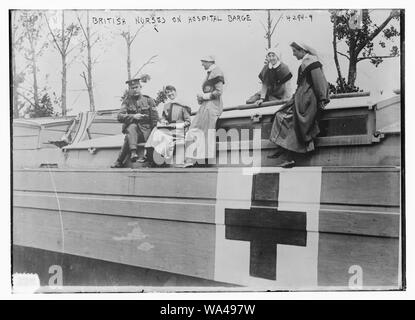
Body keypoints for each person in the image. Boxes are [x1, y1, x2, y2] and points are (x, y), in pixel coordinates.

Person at [268, 42, 330, 167]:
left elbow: (320, 82)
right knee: (280, 116)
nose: (294, 55)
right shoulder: (306, 62)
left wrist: (322, 99)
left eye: (295, 52)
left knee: (291, 122)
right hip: (300, 98)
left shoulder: (311, 62)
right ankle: (283, 147)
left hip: (307, 100)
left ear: (302, 51)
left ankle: (288, 156)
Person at [184, 55, 225, 167]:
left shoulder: (217, 72)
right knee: (194, 129)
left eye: (203, 62)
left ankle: (202, 160)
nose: (202, 64)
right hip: (206, 106)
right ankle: (193, 159)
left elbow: (218, 91)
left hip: (212, 107)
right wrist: (201, 98)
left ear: (209, 61)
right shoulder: (210, 72)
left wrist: (204, 96)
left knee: (206, 131)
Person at [111, 78, 159, 168]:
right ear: (129, 90)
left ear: (140, 87)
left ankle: (119, 161)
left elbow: (155, 119)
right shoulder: (127, 102)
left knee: (128, 137)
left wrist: (154, 134)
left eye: (136, 87)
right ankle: (133, 152)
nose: (135, 89)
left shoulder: (148, 100)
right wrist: (133, 116)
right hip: (134, 132)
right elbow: (119, 116)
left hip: (146, 132)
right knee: (131, 127)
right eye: (132, 88)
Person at [145, 85, 192, 164]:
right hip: (169, 128)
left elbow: (188, 122)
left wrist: (177, 125)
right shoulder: (166, 106)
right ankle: (150, 152)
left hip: (179, 130)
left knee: (162, 135)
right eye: (167, 93)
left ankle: (159, 157)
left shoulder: (182, 105)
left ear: (175, 91)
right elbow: (163, 118)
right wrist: (164, 121)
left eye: (171, 91)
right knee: (156, 130)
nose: (170, 94)